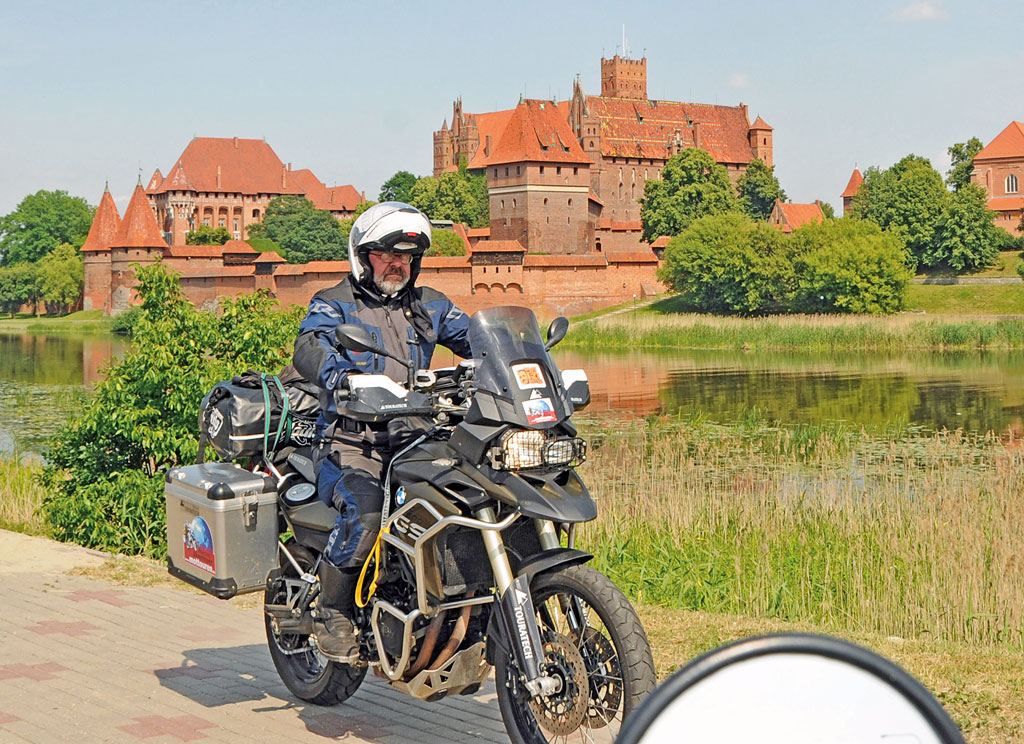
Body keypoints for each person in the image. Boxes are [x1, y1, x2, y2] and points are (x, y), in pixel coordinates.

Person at [292, 202, 471, 662]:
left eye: (408, 257)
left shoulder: (430, 305)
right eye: (387, 255)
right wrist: (339, 377)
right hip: (353, 442)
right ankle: (331, 610)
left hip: (416, 438)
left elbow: (479, 338)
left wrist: (519, 364)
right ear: (362, 256)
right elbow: (310, 346)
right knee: (366, 514)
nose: (399, 265)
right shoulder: (334, 303)